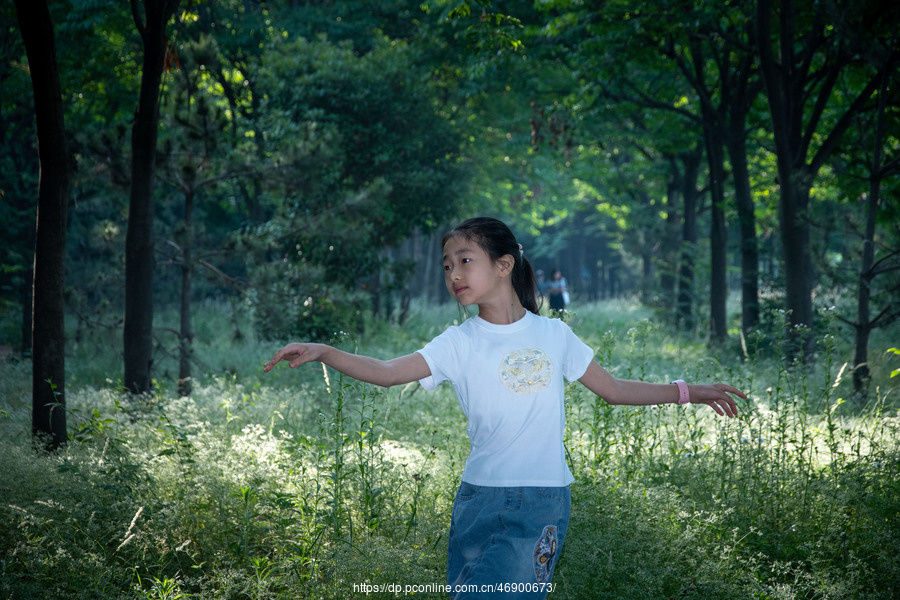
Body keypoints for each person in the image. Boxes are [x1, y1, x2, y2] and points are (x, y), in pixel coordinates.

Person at [264, 217, 745, 599]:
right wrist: (325, 351)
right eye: (447, 265)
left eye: (464, 260)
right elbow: (388, 371)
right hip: (476, 501)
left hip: (540, 502)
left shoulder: (554, 335)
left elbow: (614, 389)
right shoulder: (458, 341)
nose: (453, 273)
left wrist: (688, 391)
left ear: (504, 264)